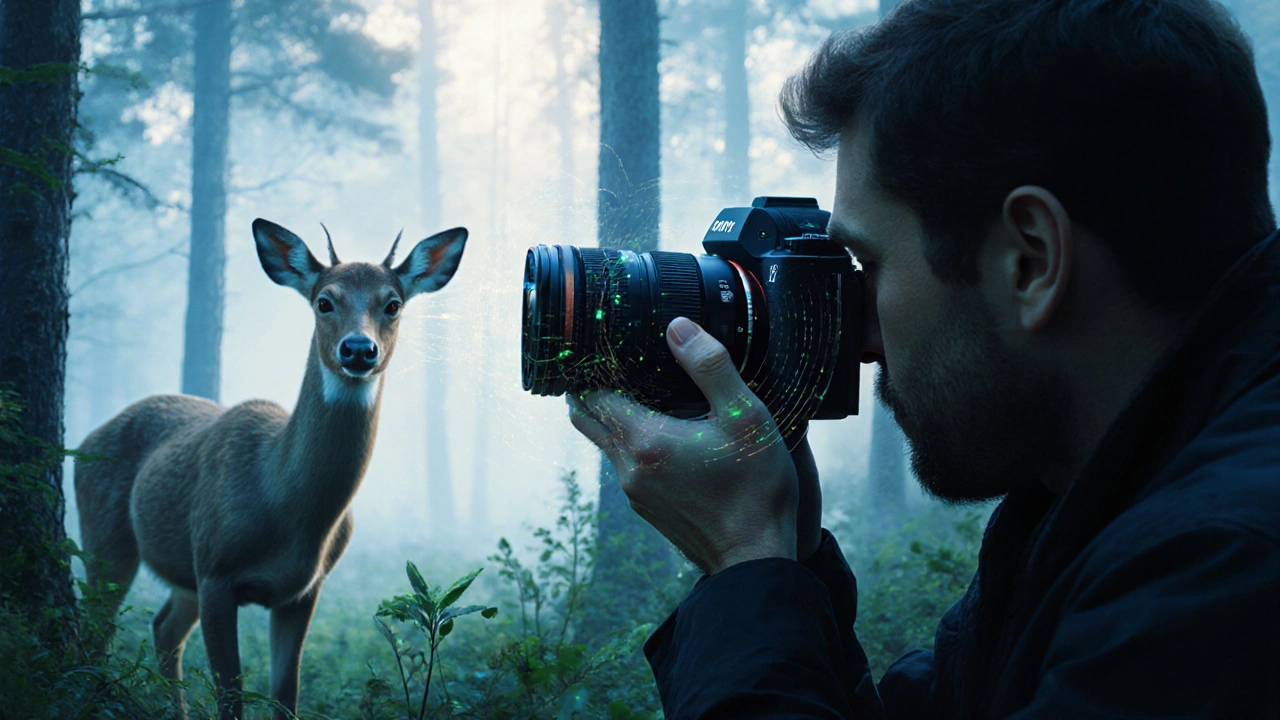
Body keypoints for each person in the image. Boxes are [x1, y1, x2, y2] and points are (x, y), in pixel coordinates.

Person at [567, 0, 1280, 717]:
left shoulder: (1224, 567)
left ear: (1030, 260)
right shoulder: (1101, 487)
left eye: (868, 265)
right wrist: (792, 560)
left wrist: (742, 560)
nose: (863, 338)